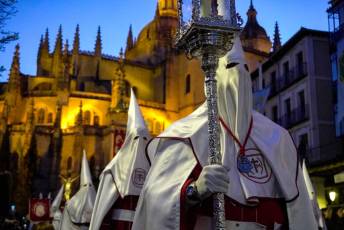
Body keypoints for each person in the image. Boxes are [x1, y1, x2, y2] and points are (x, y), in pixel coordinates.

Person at [132, 37, 321, 230]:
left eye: (245, 69)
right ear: (212, 80)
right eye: (230, 66)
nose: (238, 75)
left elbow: (298, 212)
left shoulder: (277, 138)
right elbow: (155, 204)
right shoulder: (183, 136)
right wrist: (193, 191)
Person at [89, 90, 151, 230]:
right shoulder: (114, 169)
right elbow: (104, 207)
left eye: (145, 139)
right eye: (136, 138)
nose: (140, 142)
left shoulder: (153, 167)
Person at [60, 150, 96, 230]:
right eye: (86, 186)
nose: (88, 189)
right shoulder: (71, 204)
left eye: (90, 186)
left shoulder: (70, 204)